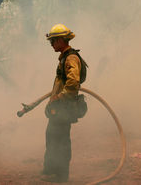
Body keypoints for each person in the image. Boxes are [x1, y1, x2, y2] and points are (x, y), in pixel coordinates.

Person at [41, 24, 87, 183]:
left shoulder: (71, 58)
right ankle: (53, 171)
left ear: (61, 40)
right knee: (53, 137)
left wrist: (59, 97)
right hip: (59, 108)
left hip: (64, 108)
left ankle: (61, 176)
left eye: (53, 41)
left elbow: (73, 83)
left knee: (60, 140)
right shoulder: (64, 58)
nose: (52, 44)